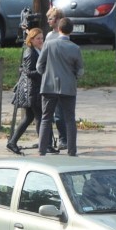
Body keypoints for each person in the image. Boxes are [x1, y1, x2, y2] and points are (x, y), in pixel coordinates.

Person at [36, 17, 84, 157]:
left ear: (59, 28)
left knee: (46, 118)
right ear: (71, 31)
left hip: (49, 86)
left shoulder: (49, 45)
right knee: (70, 119)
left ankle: (42, 150)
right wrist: (73, 76)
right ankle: (71, 151)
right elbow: (80, 70)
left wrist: (46, 75)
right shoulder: (75, 48)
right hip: (68, 88)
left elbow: (39, 65)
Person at [7, 27, 44, 155]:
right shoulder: (30, 52)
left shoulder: (37, 50)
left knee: (29, 117)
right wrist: (42, 72)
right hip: (31, 90)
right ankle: (44, 144)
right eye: (38, 38)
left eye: (41, 38)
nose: (41, 40)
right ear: (31, 40)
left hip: (33, 89)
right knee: (39, 117)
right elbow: (28, 72)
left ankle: (12, 142)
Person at [44, 6, 67, 150]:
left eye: (50, 18)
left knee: (60, 113)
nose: (48, 21)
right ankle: (47, 140)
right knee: (49, 113)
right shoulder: (48, 36)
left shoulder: (63, 35)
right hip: (50, 77)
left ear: (58, 20)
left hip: (61, 78)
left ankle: (63, 139)